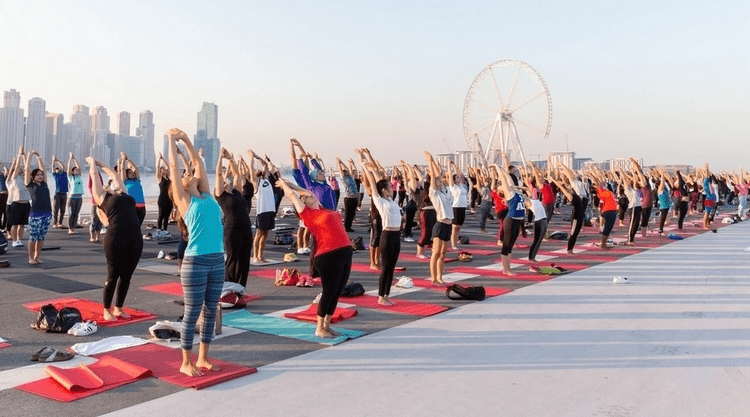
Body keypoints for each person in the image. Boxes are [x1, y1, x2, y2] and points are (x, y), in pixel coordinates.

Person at [167, 128, 224, 377]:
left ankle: (203, 358)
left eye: (189, 173)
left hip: (217, 260)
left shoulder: (208, 196)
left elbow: (198, 163)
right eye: (185, 175)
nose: (188, 174)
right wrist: (171, 139)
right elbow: (173, 167)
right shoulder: (184, 201)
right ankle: (185, 362)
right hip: (196, 262)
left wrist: (187, 140)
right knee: (192, 314)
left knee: (210, 311)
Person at [277, 178, 353, 338]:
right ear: (303, 203)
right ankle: (319, 327)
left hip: (345, 252)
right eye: (306, 197)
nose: (310, 195)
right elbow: (293, 196)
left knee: (337, 291)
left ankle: (327, 325)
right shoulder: (308, 214)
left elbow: (306, 192)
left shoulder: (322, 209)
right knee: (329, 292)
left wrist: (293, 185)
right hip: (328, 255)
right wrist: (285, 186)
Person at [87, 156, 143, 321]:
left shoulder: (123, 193)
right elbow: (95, 177)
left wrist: (102, 163)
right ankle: (106, 309)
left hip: (135, 237)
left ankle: (118, 308)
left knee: (127, 276)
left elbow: (116, 175)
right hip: (115, 238)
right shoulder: (102, 197)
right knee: (113, 276)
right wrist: (93, 165)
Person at [361, 154, 401, 306]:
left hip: (396, 236)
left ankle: (387, 295)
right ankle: (380, 297)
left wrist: (374, 168)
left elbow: (379, 179)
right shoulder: (379, 201)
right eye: (390, 187)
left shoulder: (391, 200)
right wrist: (365, 167)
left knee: (391, 268)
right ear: (384, 190)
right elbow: (373, 183)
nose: (392, 188)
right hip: (387, 235)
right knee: (385, 267)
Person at [215, 148, 252, 287]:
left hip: (246, 227)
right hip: (232, 229)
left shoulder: (236, 192)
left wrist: (230, 159)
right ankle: (229, 287)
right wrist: (220, 158)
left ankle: (241, 288)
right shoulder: (221, 194)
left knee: (244, 259)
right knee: (232, 259)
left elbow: (237, 174)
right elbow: (218, 174)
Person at [425, 151, 453, 284]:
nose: (439, 181)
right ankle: (433, 278)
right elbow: (433, 176)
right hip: (440, 225)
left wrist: (447, 166)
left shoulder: (446, 192)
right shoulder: (434, 194)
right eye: (437, 180)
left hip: (448, 225)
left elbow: (443, 176)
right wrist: (430, 162)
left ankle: (440, 277)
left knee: (443, 254)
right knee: (436, 253)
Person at [248, 150, 275, 264]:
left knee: (266, 234)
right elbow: (251, 169)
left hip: (270, 210)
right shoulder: (256, 183)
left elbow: (265, 165)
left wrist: (257, 156)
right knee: (259, 234)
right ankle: (255, 256)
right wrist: (251, 158)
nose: (257, 170)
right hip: (262, 211)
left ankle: (261, 255)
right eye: (256, 170)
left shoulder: (266, 179)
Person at [25, 151, 52, 264]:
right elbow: (27, 169)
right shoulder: (30, 185)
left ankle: (37, 257)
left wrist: (39, 157)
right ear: (33, 177)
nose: (40, 176)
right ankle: (31, 258)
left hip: (47, 214)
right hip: (35, 215)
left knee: (41, 237)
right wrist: (30, 156)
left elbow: (43, 169)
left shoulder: (44, 184)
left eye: (41, 175)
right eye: (38, 175)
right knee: (33, 237)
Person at [7, 148, 30, 247]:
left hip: (26, 204)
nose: (21, 170)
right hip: (16, 204)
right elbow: (17, 166)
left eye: (22, 170)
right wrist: (19, 156)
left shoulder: (26, 178)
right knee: (15, 224)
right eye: (19, 169)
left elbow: (27, 167)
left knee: (22, 224)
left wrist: (25, 156)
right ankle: (14, 240)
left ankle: (19, 240)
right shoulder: (14, 178)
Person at [120, 152, 146, 225]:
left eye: (133, 172)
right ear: (127, 174)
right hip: (132, 207)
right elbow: (122, 169)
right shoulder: (125, 181)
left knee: (139, 225)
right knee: (132, 225)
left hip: (142, 206)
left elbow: (136, 168)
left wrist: (128, 159)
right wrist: (123, 159)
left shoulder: (137, 180)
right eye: (130, 173)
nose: (133, 174)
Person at [447, 161, 468, 251]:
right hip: (456, 208)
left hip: (463, 208)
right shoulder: (453, 186)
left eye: (460, 178)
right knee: (454, 227)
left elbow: (460, 174)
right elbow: (450, 175)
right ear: (454, 180)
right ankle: (453, 244)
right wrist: (449, 166)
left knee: (459, 227)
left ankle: (455, 243)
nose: (459, 179)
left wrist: (455, 166)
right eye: (457, 178)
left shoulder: (462, 186)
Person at [336, 157, 359, 232]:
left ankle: (349, 226)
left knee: (352, 214)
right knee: (348, 213)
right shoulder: (343, 178)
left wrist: (344, 162)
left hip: (355, 197)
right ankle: (346, 227)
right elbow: (340, 170)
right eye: (345, 172)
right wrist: (338, 163)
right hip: (349, 198)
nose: (346, 172)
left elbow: (348, 169)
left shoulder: (351, 177)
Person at [66, 153, 84, 235]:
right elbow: (69, 168)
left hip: (79, 198)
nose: (77, 170)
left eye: (77, 170)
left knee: (76, 214)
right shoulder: (70, 177)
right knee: (71, 214)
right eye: (75, 170)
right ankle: (70, 228)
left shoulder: (79, 176)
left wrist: (75, 158)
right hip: (72, 198)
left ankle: (73, 228)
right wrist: (70, 158)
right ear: (72, 171)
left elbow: (79, 166)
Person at [155, 153, 173, 232]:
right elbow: (157, 168)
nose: (164, 170)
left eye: (164, 169)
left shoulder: (169, 178)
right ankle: (159, 231)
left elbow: (169, 167)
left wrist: (163, 159)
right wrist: (159, 159)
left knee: (167, 217)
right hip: (162, 199)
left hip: (169, 199)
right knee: (161, 216)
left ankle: (165, 231)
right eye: (162, 170)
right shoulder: (159, 178)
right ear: (160, 171)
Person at [50, 155, 68, 229]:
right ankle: (55, 223)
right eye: (56, 169)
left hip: (64, 194)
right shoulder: (55, 175)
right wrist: (53, 161)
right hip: (57, 194)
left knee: (63, 210)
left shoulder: (64, 174)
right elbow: (52, 167)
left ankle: (60, 223)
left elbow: (64, 166)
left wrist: (58, 160)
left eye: (58, 168)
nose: (57, 169)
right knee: (56, 209)